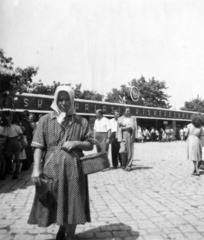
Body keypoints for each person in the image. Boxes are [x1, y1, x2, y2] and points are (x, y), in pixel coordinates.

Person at [28, 85, 94, 240]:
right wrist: (36, 170)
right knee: (56, 200)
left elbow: (90, 144)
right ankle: (61, 227)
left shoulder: (81, 122)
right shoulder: (45, 120)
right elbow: (38, 146)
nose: (63, 103)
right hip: (51, 170)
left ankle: (70, 235)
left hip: (74, 171)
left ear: (72, 101)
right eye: (60, 99)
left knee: (72, 201)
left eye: (67, 99)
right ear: (55, 100)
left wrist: (77, 143)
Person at [117, 107, 137, 172]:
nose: (129, 112)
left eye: (129, 111)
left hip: (130, 135)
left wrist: (124, 127)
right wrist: (126, 128)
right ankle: (123, 163)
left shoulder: (133, 119)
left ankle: (128, 165)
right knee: (121, 150)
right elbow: (118, 128)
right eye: (127, 111)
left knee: (130, 151)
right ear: (124, 112)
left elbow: (134, 127)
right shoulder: (120, 119)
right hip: (122, 135)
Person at [4, 113, 23, 179]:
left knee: (6, 157)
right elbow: (21, 136)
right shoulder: (18, 127)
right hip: (16, 141)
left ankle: (6, 171)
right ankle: (16, 173)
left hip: (9, 142)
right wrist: (18, 141)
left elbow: (5, 135)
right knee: (17, 158)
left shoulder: (7, 126)